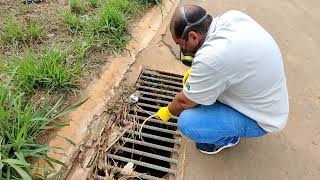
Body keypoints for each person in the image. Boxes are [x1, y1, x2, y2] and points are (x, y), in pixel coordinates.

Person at [156, 5, 289, 154]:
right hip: (269, 99)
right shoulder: (232, 16)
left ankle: (227, 139)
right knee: (201, 92)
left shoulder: (212, 57)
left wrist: (167, 112)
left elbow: (184, 101)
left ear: (193, 36)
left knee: (188, 122)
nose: (182, 50)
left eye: (181, 44)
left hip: (263, 119)